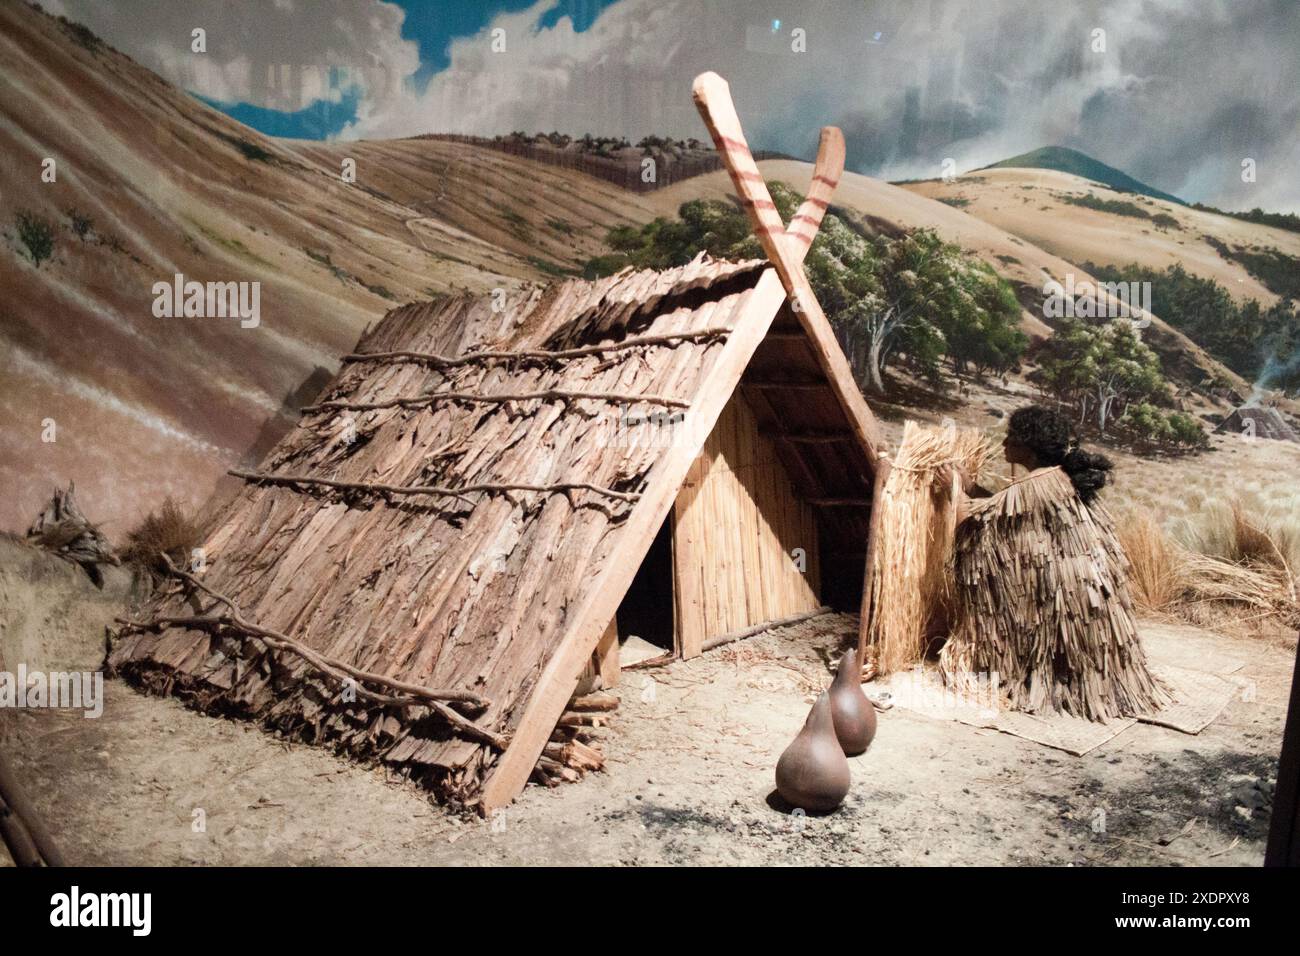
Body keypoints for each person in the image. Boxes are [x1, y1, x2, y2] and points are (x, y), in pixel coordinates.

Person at [942, 405, 1168, 721]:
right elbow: (1003, 509)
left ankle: (1058, 687)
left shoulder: (1034, 486)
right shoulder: (1054, 478)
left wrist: (952, 488)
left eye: (1010, 437)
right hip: (1090, 589)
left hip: (1071, 597)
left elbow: (977, 520)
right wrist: (970, 488)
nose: (1004, 443)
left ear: (1027, 445)